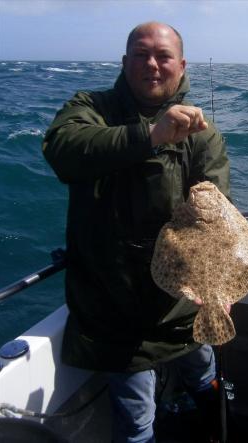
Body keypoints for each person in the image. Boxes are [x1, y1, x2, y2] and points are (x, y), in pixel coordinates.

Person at [43, 22, 230, 443]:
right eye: (140, 54)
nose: (152, 64)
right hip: (114, 306)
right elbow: (63, 151)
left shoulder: (203, 134)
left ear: (181, 66)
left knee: (204, 377)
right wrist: (150, 135)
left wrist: (218, 291)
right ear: (124, 62)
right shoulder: (90, 106)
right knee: (136, 422)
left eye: (163, 56)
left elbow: (218, 220)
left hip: (184, 302)